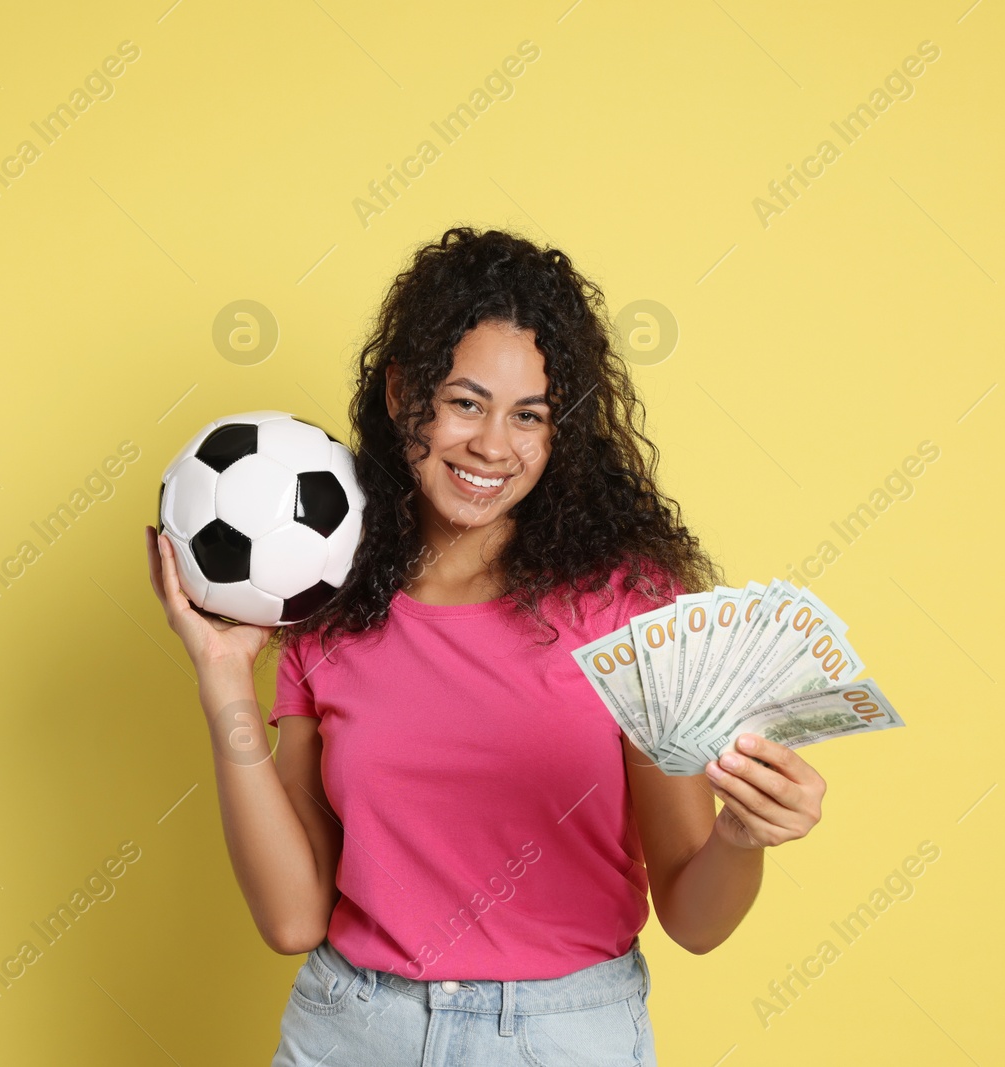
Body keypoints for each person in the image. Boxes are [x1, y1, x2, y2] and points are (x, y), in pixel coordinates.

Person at [144, 226, 827, 1065]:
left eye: (529, 416)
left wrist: (742, 837)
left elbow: (693, 918)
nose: (493, 446)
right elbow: (292, 918)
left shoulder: (628, 607)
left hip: (563, 1037)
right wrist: (222, 680)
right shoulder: (330, 600)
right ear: (403, 395)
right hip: (352, 1027)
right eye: (466, 402)